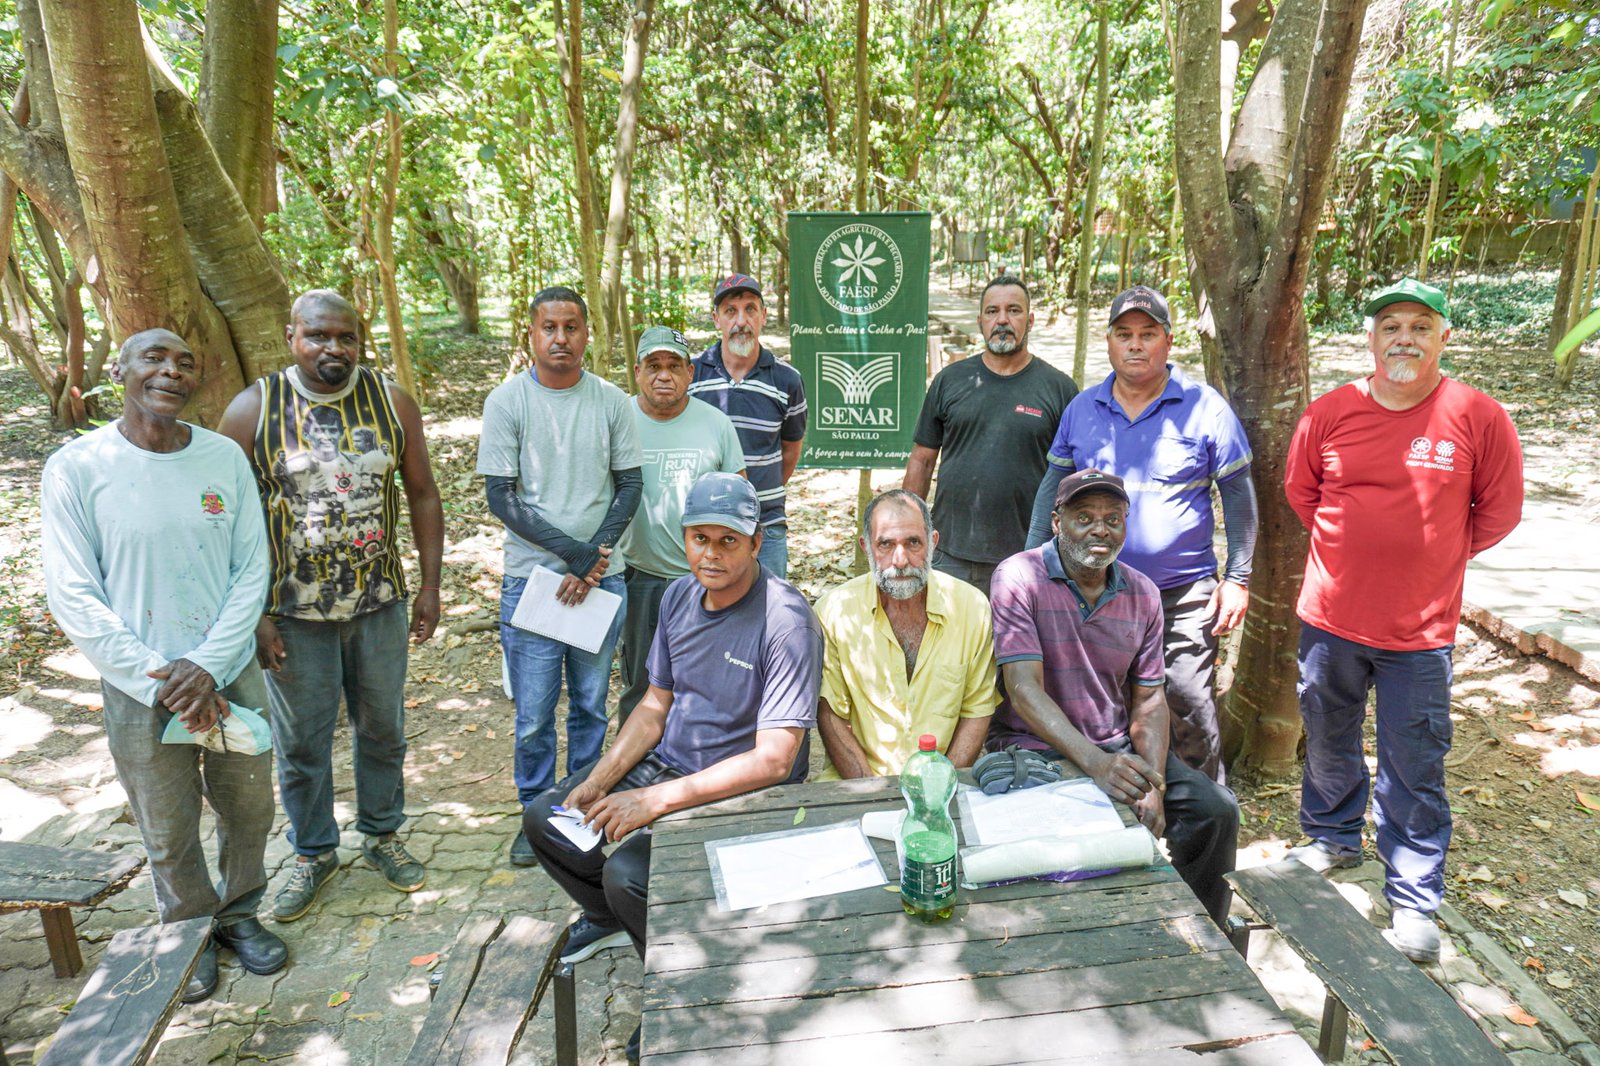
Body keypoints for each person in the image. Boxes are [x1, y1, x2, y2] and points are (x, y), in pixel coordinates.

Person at [524, 473, 823, 1063]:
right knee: (547, 821)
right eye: (699, 539)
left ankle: (683, 988)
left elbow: (775, 758)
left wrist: (651, 804)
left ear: (756, 542)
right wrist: (603, 778)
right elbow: (655, 704)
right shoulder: (678, 596)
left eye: (727, 541)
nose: (711, 554)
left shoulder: (786, 619)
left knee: (631, 874)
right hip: (669, 764)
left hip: (741, 788)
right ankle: (621, 925)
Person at [41, 329, 286, 1003]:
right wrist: (162, 675)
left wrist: (206, 666)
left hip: (229, 670)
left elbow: (249, 569)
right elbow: (73, 593)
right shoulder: (77, 467)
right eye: (154, 358)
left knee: (250, 807)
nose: (171, 371)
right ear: (119, 369)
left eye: (184, 362)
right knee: (167, 821)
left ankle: (239, 916)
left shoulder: (220, 459)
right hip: (137, 682)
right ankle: (188, 932)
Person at [1285, 277, 1523, 963]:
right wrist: (1354, 547)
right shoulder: (1329, 413)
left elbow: (1499, 511)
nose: (1405, 338)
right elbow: (1304, 493)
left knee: (1414, 761)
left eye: (1421, 326)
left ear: (1444, 337)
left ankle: (1414, 897)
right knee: (1328, 738)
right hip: (1330, 618)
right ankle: (1331, 839)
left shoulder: (1477, 416)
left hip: (1419, 633)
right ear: (1371, 337)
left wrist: (1435, 554)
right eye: (1391, 325)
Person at [218, 290, 445, 922]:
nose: (333, 349)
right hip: (292, 611)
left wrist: (429, 585)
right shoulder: (254, 408)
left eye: (345, 338)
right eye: (318, 336)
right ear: (293, 335)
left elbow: (423, 493)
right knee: (303, 741)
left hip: (378, 604)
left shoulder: (390, 401)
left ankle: (381, 833)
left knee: (383, 728)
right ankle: (314, 852)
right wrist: (254, 614)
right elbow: (225, 516)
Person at [1024, 286, 1256, 783]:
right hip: (1095, 590)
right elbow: (1052, 487)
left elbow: (1238, 493)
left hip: (1183, 592)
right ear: (1109, 342)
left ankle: (1203, 816)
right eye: (1124, 334)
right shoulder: (1083, 409)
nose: (1135, 345)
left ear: (1167, 342)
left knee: (1188, 702)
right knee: (1105, 701)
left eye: (1147, 334)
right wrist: (1031, 564)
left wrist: (1238, 576)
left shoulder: (1204, 407)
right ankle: (1133, 808)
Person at [988, 468, 1239, 925]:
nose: (1100, 529)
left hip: (1114, 745)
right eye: (1084, 517)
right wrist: (1096, 764)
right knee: (1077, 841)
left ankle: (1199, 933)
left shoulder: (1142, 592)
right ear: (1057, 522)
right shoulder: (1019, 576)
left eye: (1113, 518)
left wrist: (1155, 785)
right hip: (1037, 749)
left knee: (1215, 810)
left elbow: (1149, 700)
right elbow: (1023, 690)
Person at [477, 286, 643, 865]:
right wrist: (574, 555)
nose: (560, 339)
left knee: (593, 706)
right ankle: (534, 813)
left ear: (586, 333)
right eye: (549, 327)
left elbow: (630, 485)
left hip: (602, 579)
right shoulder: (508, 402)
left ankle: (579, 808)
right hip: (533, 584)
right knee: (533, 713)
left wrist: (593, 557)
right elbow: (501, 497)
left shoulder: (611, 401)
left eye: (571, 327)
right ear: (531, 334)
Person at [904, 274, 1078, 598]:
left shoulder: (1060, 389)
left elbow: (1072, 477)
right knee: (949, 647)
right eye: (992, 311)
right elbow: (922, 460)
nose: (1002, 320)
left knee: (1014, 649)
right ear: (980, 320)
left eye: (1014, 310)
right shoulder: (950, 381)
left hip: (1026, 558)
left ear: (1031, 320)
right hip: (950, 553)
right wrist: (907, 529)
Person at [814, 489, 996, 778]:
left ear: (933, 543)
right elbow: (829, 713)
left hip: (941, 783)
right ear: (866, 547)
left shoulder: (971, 608)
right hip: (860, 782)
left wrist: (937, 789)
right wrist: (869, 792)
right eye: (885, 544)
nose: (900, 560)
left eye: (913, 543)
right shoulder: (834, 611)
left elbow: (977, 710)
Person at [616, 325, 746, 722]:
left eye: (674, 365)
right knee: (641, 682)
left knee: (709, 680)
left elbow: (739, 497)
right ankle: (632, 771)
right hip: (641, 576)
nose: (663, 374)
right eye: (653, 365)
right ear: (637, 371)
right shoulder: (617, 417)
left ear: (690, 373)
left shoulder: (715, 423)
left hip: (705, 579)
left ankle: (699, 769)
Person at [688, 273, 807, 577]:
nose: (741, 321)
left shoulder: (787, 380)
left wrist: (758, 494)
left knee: (769, 614)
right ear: (717, 319)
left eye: (750, 309)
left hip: (765, 527)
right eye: (731, 311)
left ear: (763, 316)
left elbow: (791, 448)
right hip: (704, 528)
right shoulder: (692, 376)